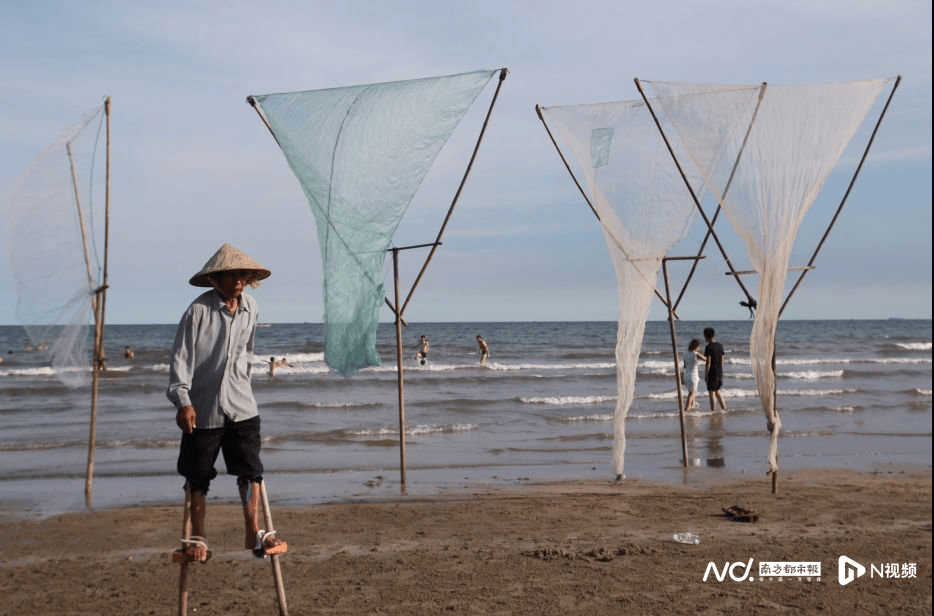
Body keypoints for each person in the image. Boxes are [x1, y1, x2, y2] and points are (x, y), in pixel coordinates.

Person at [166, 243, 287, 563]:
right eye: (231, 274)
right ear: (216, 279)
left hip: (243, 407)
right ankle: (198, 537)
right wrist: (183, 401)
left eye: (242, 275)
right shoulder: (198, 311)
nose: (238, 280)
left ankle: (255, 532)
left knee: (251, 471)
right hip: (204, 409)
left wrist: (244, 386)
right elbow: (180, 361)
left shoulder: (252, 308)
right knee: (197, 475)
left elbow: (247, 355)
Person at [703, 327, 727, 411]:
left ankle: (713, 411)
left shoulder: (708, 347)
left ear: (706, 337)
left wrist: (706, 373)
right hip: (719, 370)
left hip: (712, 371)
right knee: (718, 391)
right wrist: (719, 370)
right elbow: (721, 360)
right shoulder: (720, 346)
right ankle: (724, 409)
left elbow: (708, 362)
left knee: (711, 393)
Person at [682, 339, 705, 410]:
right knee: (691, 394)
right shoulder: (696, 354)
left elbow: (685, 365)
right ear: (696, 346)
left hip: (686, 375)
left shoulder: (685, 354)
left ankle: (692, 407)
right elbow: (706, 359)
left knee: (692, 392)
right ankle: (686, 408)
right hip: (693, 376)